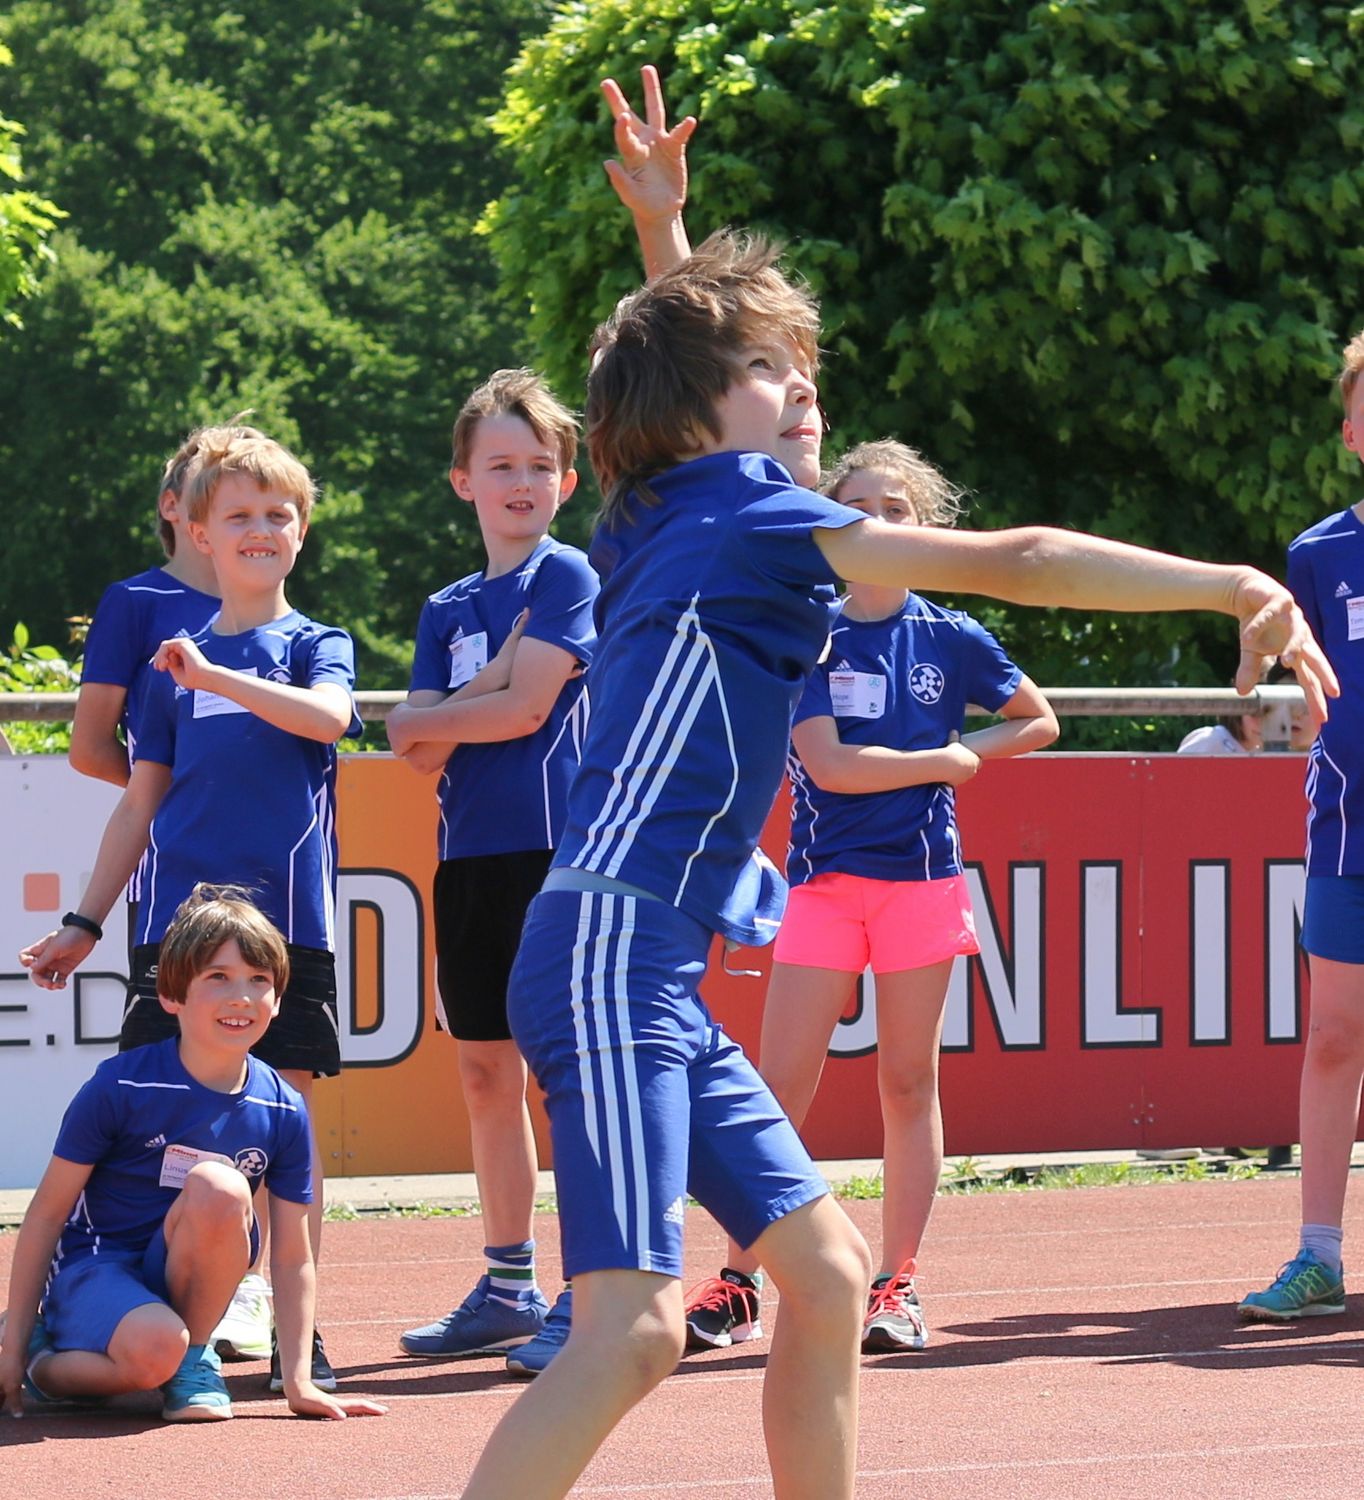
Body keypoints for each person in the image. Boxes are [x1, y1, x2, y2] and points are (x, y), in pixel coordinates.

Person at [456, 222, 1332, 1497]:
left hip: (634, 961)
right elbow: (1019, 562)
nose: (801, 384)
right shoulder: (745, 511)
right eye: (771, 367)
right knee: (631, 1333)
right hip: (608, 954)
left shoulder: (651, 509)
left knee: (825, 1274)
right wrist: (1228, 582)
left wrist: (666, 239)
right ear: (698, 411)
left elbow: (668, 380)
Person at [683, 440, 1058, 1356]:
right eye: (861, 509)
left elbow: (1038, 720)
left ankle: (898, 1283)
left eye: (899, 510)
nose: (881, 525)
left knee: (907, 1080)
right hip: (822, 887)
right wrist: (944, 760)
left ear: (925, 526)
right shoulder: (809, 631)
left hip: (922, 884)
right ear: (833, 523)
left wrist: (972, 754)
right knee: (778, 1085)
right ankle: (739, 1281)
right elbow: (830, 766)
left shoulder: (950, 634)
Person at [19, 430, 362, 1392]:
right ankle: (140, 1318)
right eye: (239, 514)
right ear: (199, 533)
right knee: (152, 1126)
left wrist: (214, 678)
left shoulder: (316, 644)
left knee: (284, 1128)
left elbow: (330, 718)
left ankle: (295, 1333)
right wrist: (85, 922)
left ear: (302, 531)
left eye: (279, 514)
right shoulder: (172, 665)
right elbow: (140, 800)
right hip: (174, 937)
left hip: (287, 935)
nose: (261, 529)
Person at [385, 370, 598, 1375]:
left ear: (566, 481)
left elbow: (525, 712)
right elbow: (415, 752)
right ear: (462, 481)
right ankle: (508, 1285)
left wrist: (447, 711)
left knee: (570, 1081)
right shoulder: (446, 607)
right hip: (466, 861)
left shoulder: (568, 577)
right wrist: (488, 678)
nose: (521, 482)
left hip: (557, 858)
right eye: (500, 465)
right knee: (484, 1076)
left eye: (540, 465)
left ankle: (590, 1291)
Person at [0, 885, 386, 1423]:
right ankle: (43, 1363)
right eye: (218, 977)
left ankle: (192, 1355)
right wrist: (14, 1343)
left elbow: (293, 1256)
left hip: (181, 1279)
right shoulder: (121, 1085)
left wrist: (299, 1382)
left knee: (220, 1187)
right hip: (98, 1267)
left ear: (277, 1000)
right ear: (172, 996)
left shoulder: (283, 1106)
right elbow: (46, 1215)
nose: (242, 997)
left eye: (259, 980)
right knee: (155, 1346)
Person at [1239, 327, 1364, 1321]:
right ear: (1350, 431)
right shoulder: (1316, 555)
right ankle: (1318, 1254)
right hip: (1347, 830)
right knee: (1331, 1037)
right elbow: (1283, 678)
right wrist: (1261, 650)